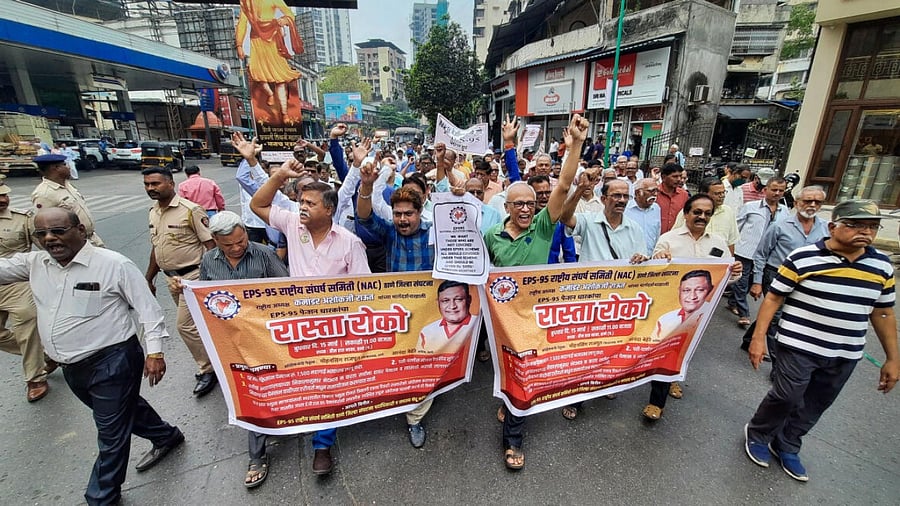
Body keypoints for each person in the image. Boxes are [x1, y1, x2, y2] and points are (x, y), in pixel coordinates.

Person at [0, 207, 183, 505]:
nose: (50, 239)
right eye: (42, 233)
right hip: (72, 367)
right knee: (123, 411)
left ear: (80, 231)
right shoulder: (35, 264)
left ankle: (102, 496)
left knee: (110, 432)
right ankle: (166, 436)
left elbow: (148, 310)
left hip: (114, 361)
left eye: (58, 231)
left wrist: (155, 353)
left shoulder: (113, 265)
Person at [743, 200, 898, 482]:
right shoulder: (804, 258)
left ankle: (788, 443)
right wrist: (759, 338)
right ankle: (759, 433)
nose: (864, 232)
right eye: (855, 225)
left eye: (871, 227)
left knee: (816, 402)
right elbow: (774, 297)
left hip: (845, 351)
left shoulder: (881, 266)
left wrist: (893, 358)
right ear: (833, 227)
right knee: (787, 395)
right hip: (797, 344)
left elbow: (884, 312)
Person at [250, 158, 369, 476]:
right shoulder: (291, 225)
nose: (302, 207)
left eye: (310, 203)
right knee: (299, 379)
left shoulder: (350, 243)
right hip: (297, 323)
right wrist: (279, 176)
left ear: (328, 209)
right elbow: (257, 204)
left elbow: (364, 290)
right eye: (301, 201)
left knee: (327, 384)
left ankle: (322, 445)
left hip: (335, 327)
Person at [486, 114, 586, 470]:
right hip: (500, 320)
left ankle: (512, 440)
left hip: (534, 318)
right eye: (519, 204)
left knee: (524, 373)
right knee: (508, 372)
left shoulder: (545, 227)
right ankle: (510, 399)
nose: (527, 208)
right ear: (507, 208)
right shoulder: (491, 236)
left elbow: (561, 187)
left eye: (531, 203)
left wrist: (574, 144)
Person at [195, 211, 289, 489]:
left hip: (265, 337)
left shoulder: (264, 255)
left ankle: (282, 420)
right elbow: (205, 298)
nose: (237, 248)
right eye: (229, 245)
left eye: (241, 240)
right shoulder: (208, 262)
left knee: (273, 385)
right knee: (250, 394)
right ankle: (257, 456)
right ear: (215, 241)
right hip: (231, 341)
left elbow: (286, 291)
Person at [649, 194, 742, 421]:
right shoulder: (668, 239)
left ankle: (673, 379)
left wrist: (735, 272)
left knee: (685, 350)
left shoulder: (718, 242)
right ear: (686, 214)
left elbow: (726, 279)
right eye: (697, 212)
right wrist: (660, 259)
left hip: (701, 313)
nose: (702, 217)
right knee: (667, 351)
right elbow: (653, 271)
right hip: (671, 309)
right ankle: (656, 402)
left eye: (707, 213)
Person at [142, 167, 218, 397]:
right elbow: (157, 248)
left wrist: (208, 280)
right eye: (147, 184)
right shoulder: (153, 212)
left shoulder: (190, 210)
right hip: (170, 278)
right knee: (198, 325)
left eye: (155, 183)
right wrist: (149, 277)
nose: (150, 188)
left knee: (185, 326)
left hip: (193, 277)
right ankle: (215, 358)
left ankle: (208, 369)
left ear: (170, 183)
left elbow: (211, 245)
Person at [743, 186, 828, 368]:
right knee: (778, 316)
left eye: (817, 202)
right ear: (797, 203)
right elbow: (761, 254)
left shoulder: (826, 229)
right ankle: (778, 365)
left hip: (807, 280)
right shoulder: (779, 226)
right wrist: (757, 282)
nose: (812, 205)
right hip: (776, 274)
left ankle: (749, 337)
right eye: (807, 201)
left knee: (780, 313)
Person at [0, 180, 49, 402]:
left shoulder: (23, 219)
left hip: (17, 284)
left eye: (5, 195)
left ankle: (35, 378)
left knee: (26, 324)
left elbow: (47, 246)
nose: (3, 199)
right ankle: (44, 356)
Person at [729, 177, 788, 327]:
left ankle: (732, 301)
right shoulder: (751, 207)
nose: (777, 193)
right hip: (745, 250)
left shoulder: (784, 211)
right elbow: (737, 227)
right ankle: (744, 313)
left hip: (766, 254)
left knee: (751, 282)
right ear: (765, 190)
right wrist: (732, 247)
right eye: (774, 189)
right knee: (741, 281)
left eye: (781, 191)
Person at [235, 0, 303, 122]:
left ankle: (284, 113)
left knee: (280, 79)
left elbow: (290, 14)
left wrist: (285, 20)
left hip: (273, 40)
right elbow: (242, 23)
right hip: (256, 41)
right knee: (257, 73)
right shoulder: (246, 3)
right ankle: (270, 94)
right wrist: (239, 45)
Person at [31, 154, 103, 247]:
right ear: (55, 168)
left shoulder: (66, 184)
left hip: (91, 239)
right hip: (73, 244)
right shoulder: (44, 194)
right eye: (64, 165)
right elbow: (44, 226)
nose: (68, 167)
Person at [673, 177, 739, 254]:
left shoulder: (728, 212)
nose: (722, 196)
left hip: (718, 262)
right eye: (717, 193)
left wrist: (729, 262)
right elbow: (675, 237)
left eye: (723, 192)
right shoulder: (689, 212)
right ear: (704, 194)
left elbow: (731, 242)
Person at [650, 270, 715, 342]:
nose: (692, 296)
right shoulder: (664, 319)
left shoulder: (711, 318)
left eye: (700, 290)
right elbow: (651, 344)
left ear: (710, 290)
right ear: (679, 291)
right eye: (686, 290)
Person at [418, 281, 477, 354]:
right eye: (445, 301)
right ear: (438, 303)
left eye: (458, 299)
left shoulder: (480, 325)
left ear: (469, 300)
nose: (452, 306)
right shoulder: (427, 331)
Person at [625, 178, 662, 257]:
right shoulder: (625, 210)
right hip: (629, 260)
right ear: (638, 192)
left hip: (650, 259)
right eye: (651, 191)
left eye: (656, 191)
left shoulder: (656, 208)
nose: (655, 194)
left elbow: (657, 233)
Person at [656, 164, 689, 234]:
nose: (679, 179)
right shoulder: (655, 193)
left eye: (680, 176)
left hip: (676, 236)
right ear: (663, 177)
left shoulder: (684, 195)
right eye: (675, 176)